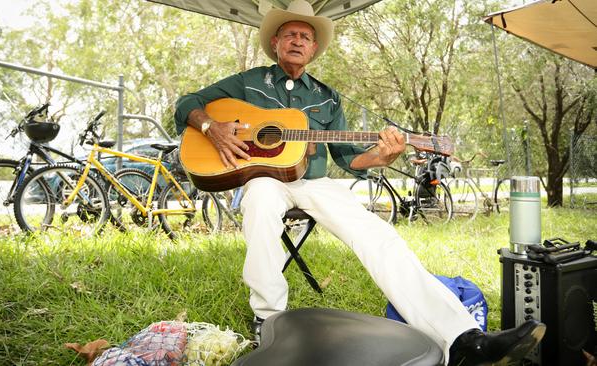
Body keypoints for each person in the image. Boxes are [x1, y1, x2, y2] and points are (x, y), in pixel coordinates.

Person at [174, 1, 545, 365]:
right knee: (259, 201)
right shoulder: (248, 82)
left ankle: (466, 338)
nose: (298, 41)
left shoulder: (327, 98)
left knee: (378, 235)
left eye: (306, 36)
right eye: (290, 34)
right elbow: (186, 102)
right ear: (275, 42)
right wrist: (212, 126)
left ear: (314, 48)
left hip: (313, 182)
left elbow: (349, 157)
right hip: (263, 178)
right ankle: (269, 320)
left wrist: (382, 156)